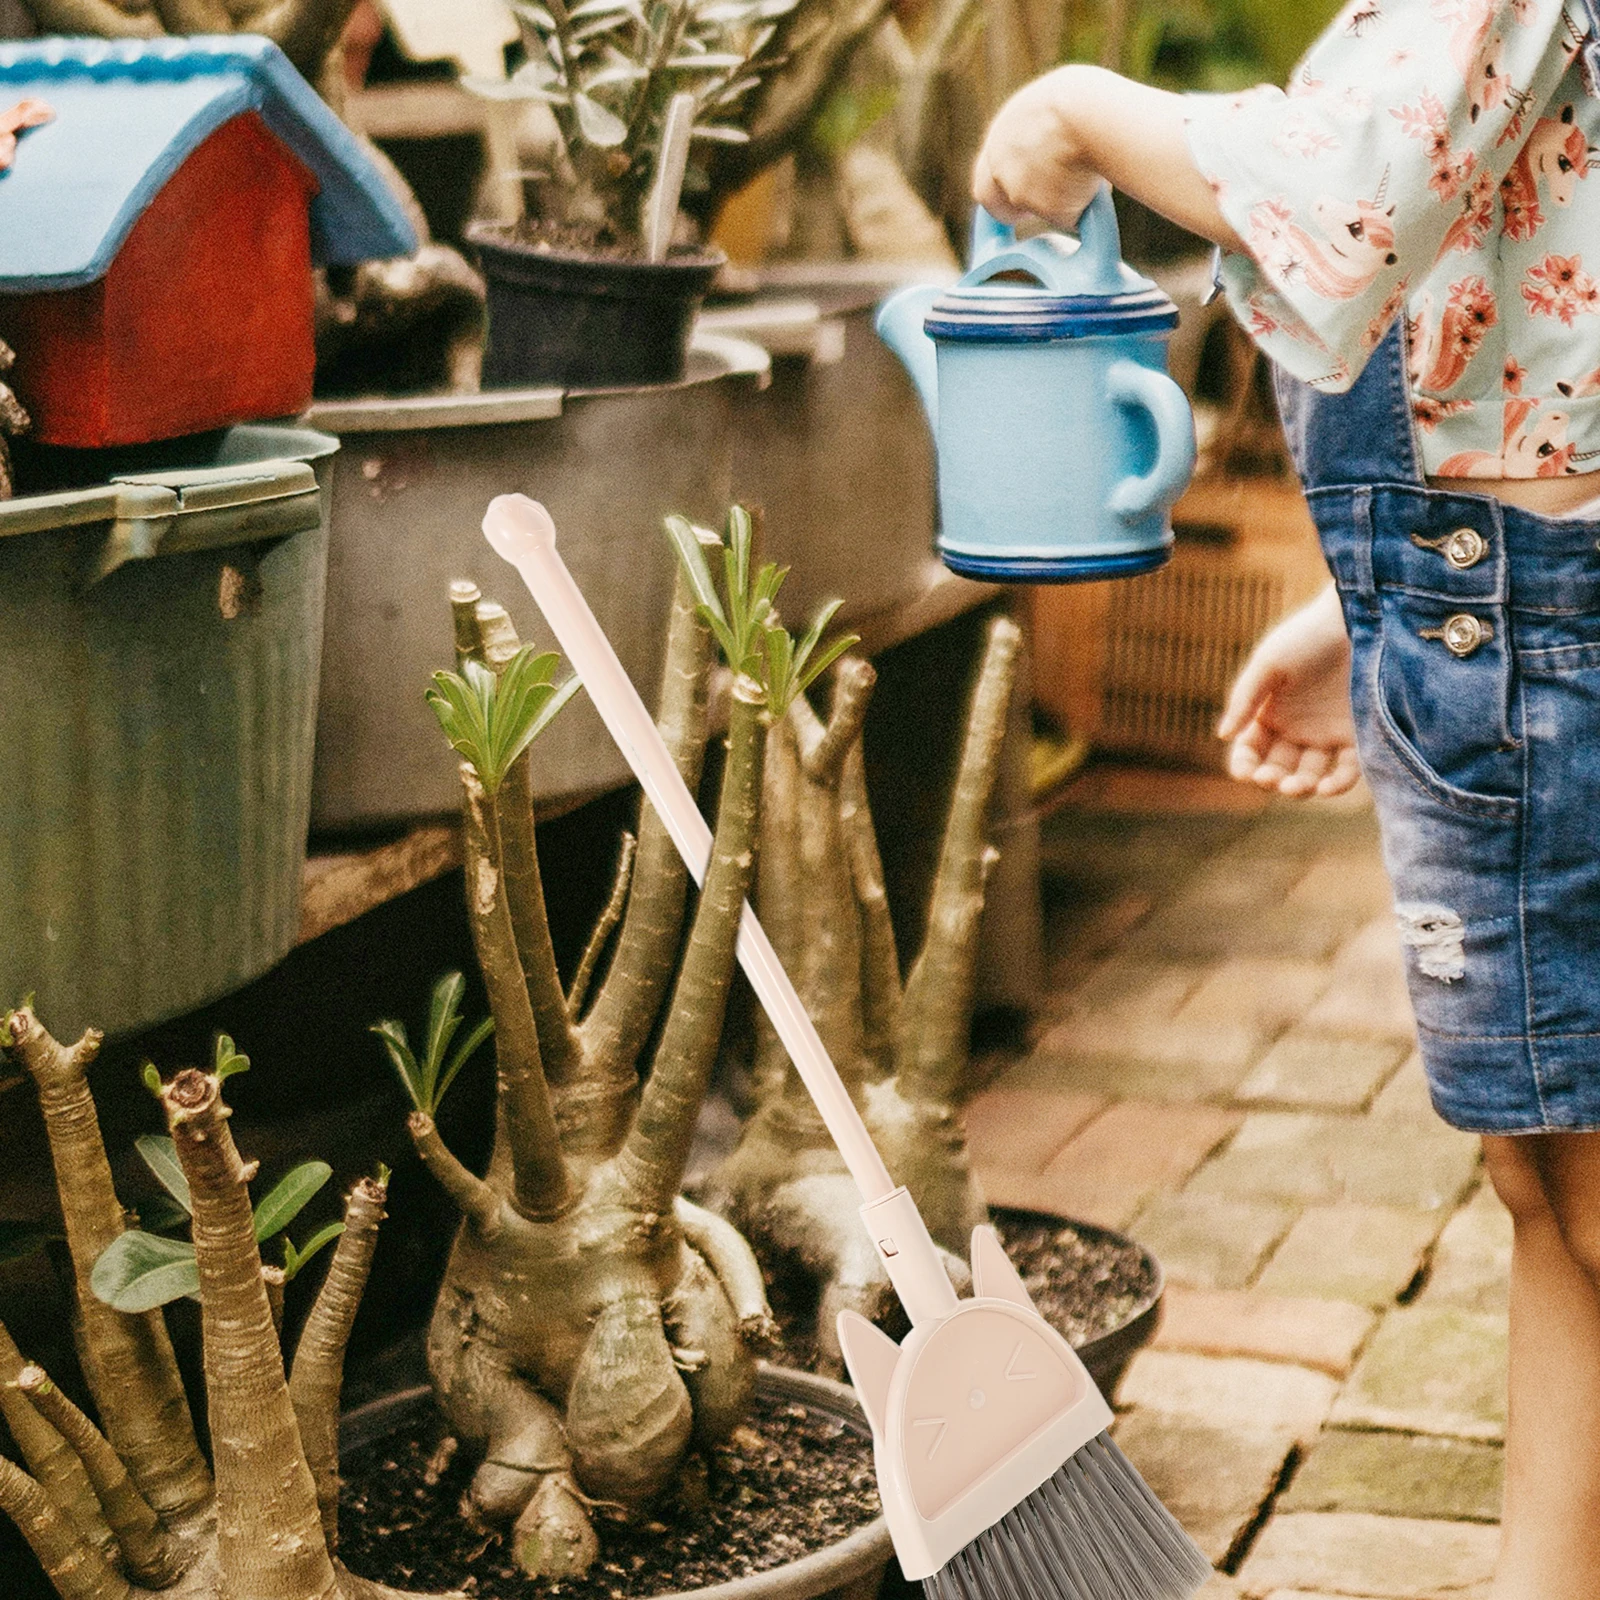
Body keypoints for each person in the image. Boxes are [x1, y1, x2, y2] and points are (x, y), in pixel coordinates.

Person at [973, 4, 1600, 1594]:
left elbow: (1347, 199)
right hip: (1506, 609)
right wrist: (1373, 604)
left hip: (1536, 633)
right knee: (1548, 1173)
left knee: (1589, 1187)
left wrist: (1075, 110)